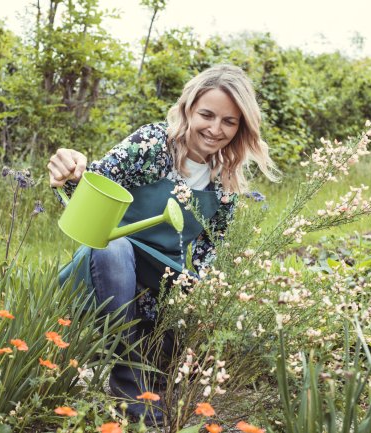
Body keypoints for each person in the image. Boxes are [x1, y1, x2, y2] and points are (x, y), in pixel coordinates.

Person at [47, 64, 279, 425]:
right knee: (117, 247)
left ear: (241, 128)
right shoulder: (153, 145)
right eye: (207, 114)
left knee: (175, 350)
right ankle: (129, 385)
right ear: (188, 108)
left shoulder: (225, 180)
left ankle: (152, 371)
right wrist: (69, 170)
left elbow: (208, 255)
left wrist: (202, 303)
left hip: (161, 286)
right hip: (103, 271)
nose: (216, 129)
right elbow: (89, 191)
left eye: (229, 122)